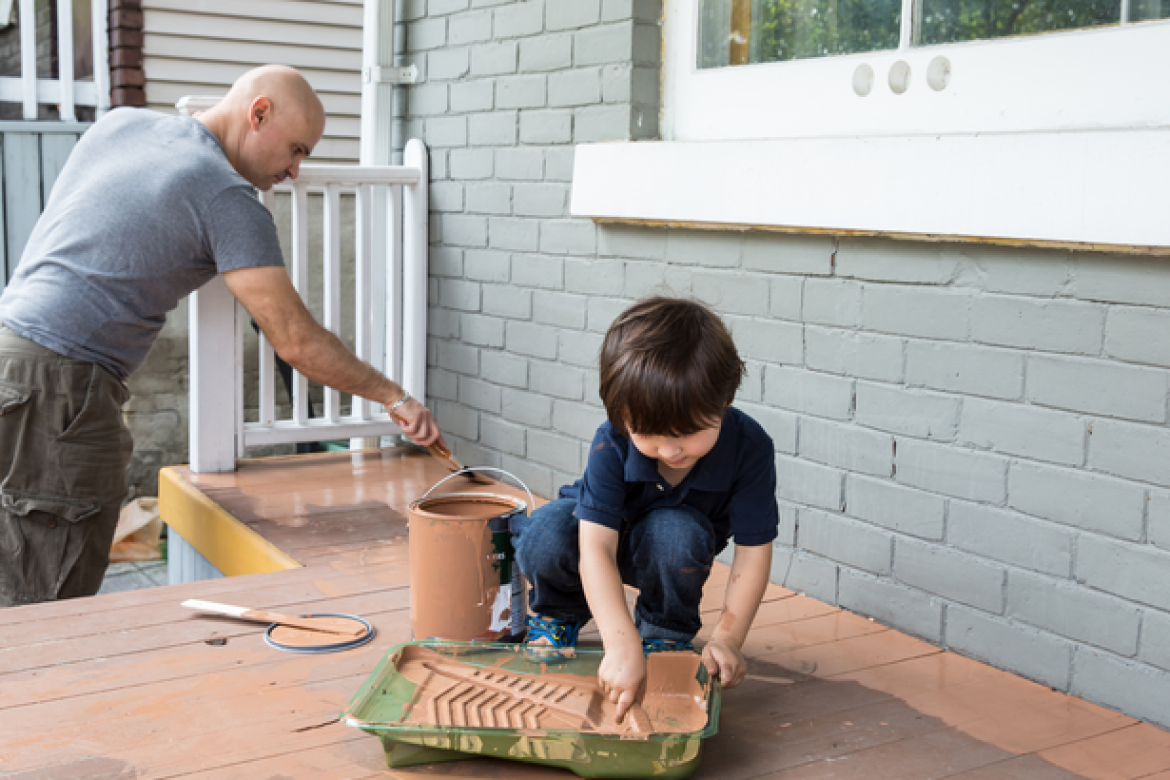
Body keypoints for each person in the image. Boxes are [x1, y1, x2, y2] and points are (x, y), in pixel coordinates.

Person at [0, 65, 444, 607]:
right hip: (62, 391)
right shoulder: (227, 197)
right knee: (45, 601)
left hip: (10, 353)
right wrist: (394, 397)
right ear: (258, 114)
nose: (296, 171)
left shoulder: (120, 124)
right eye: (297, 150)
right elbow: (297, 342)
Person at [512, 296, 778, 721]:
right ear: (621, 416)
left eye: (688, 433)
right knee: (543, 532)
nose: (671, 450)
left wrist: (728, 638)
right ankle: (559, 614)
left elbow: (754, 549)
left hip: (671, 551)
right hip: (599, 538)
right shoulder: (611, 440)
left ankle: (664, 633)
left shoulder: (750, 447)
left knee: (676, 531)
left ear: (724, 402)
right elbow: (595, 548)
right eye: (650, 434)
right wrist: (618, 643)